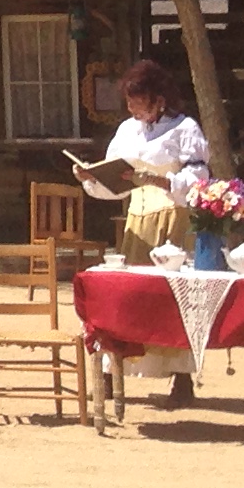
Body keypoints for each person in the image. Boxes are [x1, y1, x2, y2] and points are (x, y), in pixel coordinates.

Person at [83, 57, 214, 406]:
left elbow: (199, 179)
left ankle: (182, 379)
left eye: (138, 100)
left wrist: (161, 180)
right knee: (127, 296)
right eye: (128, 101)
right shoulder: (127, 131)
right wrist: (94, 177)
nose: (132, 108)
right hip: (138, 221)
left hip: (173, 219)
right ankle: (111, 373)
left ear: (159, 99)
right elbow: (115, 180)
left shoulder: (184, 128)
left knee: (172, 298)